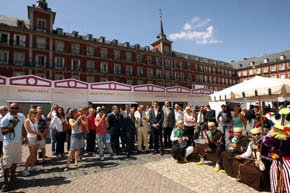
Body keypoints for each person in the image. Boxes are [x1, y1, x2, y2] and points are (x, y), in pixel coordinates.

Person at [262, 108, 290, 193]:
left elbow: (265, 143)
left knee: (278, 184)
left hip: (281, 163)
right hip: (287, 163)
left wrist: (270, 134)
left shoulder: (274, 139)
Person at [0, 103, 25, 192]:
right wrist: (12, 126)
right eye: (12, 108)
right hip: (8, 143)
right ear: (9, 108)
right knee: (7, 163)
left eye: (16, 107)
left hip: (18, 143)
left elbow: (22, 127)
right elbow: (3, 132)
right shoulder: (5, 118)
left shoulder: (21, 116)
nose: (14, 109)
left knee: (15, 161)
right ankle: (6, 183)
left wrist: (24, 137)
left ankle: (13, 177)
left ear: (18, 108)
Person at [23, 108, 41, 176]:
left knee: (34, 153)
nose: (35, 114)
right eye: (34, 112)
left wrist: (40, 135)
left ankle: (32, 166)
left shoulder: (35, 120)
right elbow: (29, 130)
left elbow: (37, 129)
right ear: (30, 113)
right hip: (30, 138)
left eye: (36, 112)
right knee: (31, 154)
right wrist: (38, 134)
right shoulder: (27, 121)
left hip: (35, 137)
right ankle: (25, 169)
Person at [0, 106, 8, 177]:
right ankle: (2, 169)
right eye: (4, 110)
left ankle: (5, 169)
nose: (6, 111)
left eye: (6, 110)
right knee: (1, 155)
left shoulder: (8, 118)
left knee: (5, 155)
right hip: (0, 139)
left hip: (6, 140)